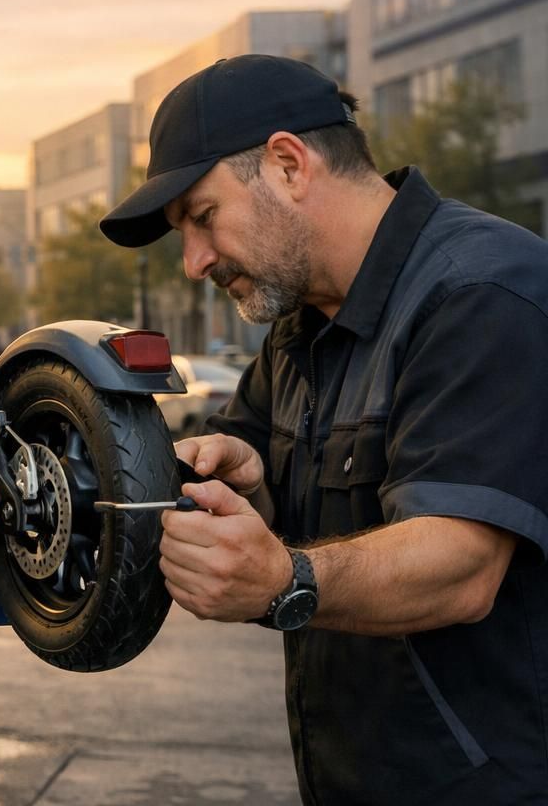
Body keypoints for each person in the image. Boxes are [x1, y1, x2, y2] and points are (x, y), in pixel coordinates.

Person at [99, 54, 548, 804]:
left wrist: (286, 582)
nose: (193, 262)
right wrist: (243, 477)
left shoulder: (483, 294)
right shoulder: (297, 325)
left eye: (203, 219)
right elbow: (256, 488)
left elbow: (462, 565)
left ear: (287, 165)